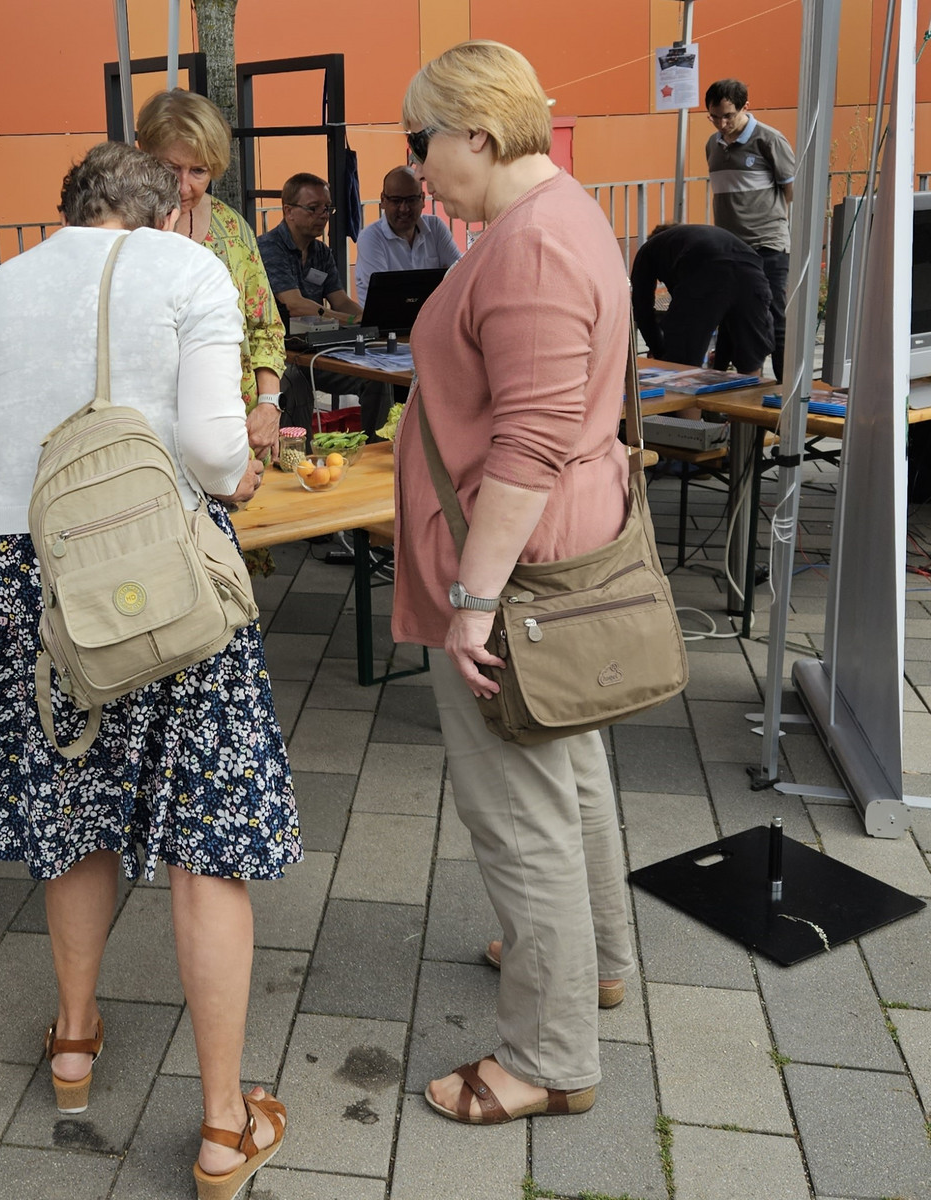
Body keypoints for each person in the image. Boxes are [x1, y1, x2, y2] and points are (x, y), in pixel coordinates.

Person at [0, 140, 298, 1200]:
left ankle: (76, 1042)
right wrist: (239, 476)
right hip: (160, 574)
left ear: (70, 209)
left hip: (29, 581)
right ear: (166, 210)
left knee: (72, 808)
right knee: (204, 841)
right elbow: (217, 451)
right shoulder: (187, 268)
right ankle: (222, 1127)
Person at [393, 40, 636, 1126]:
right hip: (553, 553)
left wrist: (474, 601)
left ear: (477, 135)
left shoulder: (528, 244)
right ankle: (594, 963)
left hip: (514, 570)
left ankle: (548, 1056)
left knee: (518, 810)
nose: (415, 167)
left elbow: (530, 441)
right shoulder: (560, 214)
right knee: (568, 767)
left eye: (421, 140)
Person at [135, 89, 285, 460]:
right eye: (170, 168)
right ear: (144, 156)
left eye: (198, 171)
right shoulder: (126, 232)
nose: (184, 186)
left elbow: (265, 326)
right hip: (153, 441)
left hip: (237, 436)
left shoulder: (231, 229)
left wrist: (268, 405)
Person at [258, 173, 389, 436]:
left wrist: (372, 319)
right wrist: (347, 320)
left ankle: (376, 447)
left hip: (318, 347)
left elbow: (340, 299)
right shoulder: (270, 247)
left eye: (327, 208)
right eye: (313, 208)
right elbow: (294, 304)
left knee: (377, 377)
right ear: (288, 211)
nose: (323, 215)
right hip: (281, 353)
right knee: (295, 382)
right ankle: (300, 457)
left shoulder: (321, 252)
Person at [705, 78, 794, 380]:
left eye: (728, 116)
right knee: (730, 316)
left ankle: (785, 390)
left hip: (767, 243)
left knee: (775, 315)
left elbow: (791, 190)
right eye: (714, 117)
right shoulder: (713, 144)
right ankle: (723, 386)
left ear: (745, 107)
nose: (722, 123)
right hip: (731, 247)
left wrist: (770, 219)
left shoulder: (769, 140)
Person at [630, 222, 773, 374]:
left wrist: (660, 352)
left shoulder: (650, 249)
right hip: (753, 272)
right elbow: (728, 318)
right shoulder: (692, 238)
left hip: (706, 268)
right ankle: (754, 385)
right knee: (751, 359)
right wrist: (719, 368)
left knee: (682, 364)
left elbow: (642, 308)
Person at [353, 165, 462, 300]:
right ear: (383, 201)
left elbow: (462, 276)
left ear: (422, 199)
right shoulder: (370, 238)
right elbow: (384, 297)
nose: (404, 209)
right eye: (396, 201)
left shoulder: (435, 228)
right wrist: (441, 283)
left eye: (411, 200)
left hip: (435, 313)